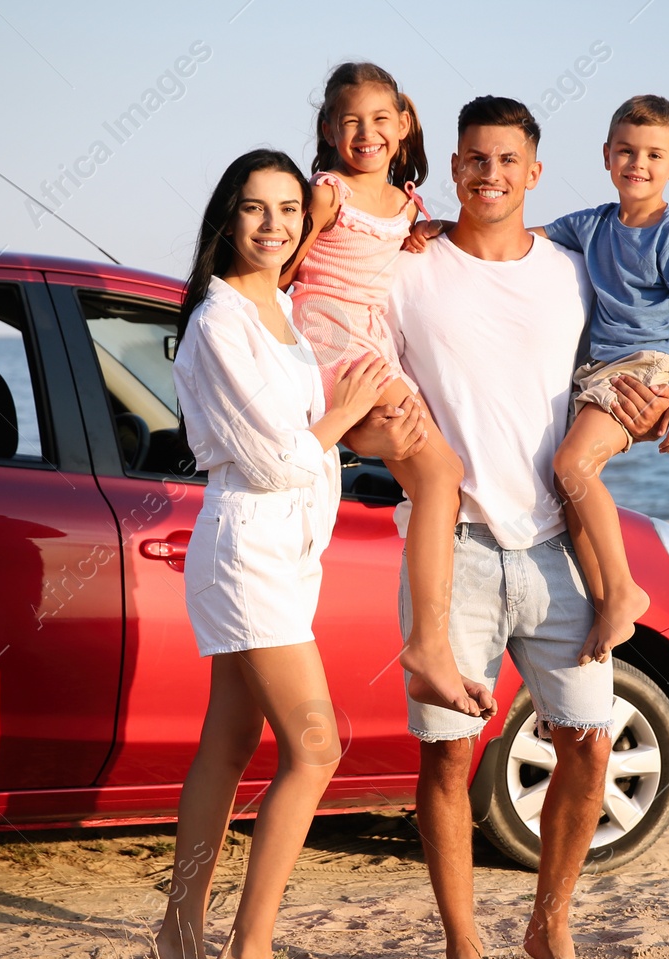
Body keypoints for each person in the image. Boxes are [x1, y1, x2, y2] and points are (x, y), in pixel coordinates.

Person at [370, 96, 669, 959]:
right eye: (473, 159)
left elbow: (629, 360)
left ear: (535, 173)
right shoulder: (407, 270)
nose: (489, 174)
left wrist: (652, 408)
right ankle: (463, 945)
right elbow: (363, 380)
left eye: (507, 161)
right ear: (452, 167)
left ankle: (552, 918)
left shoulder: (573, 271)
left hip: (555, 549)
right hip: (453, 546)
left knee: (587, 741)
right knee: (449, 757)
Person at [156, 149, 391, 959]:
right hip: (247, 545)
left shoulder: (281, 303)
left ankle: (180, 934)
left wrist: (336, 209)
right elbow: (272, 454)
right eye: (255, 209)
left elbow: (331, 229)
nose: (274, 224)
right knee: (317, 744)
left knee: (227, 742)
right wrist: (341, 411)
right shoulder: (220, 321)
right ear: (227, 216)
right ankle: (250, 948)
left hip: (287, 553)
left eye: (287, 208)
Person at [411, 95, 669, 666]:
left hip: (642, 368)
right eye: (626, 151)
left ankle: (623, 591)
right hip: (596, 373)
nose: (637, 165)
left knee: (570, 466)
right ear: (606, 156)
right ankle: (605, 603)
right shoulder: (594, 224)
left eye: (653, 155)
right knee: (572, 491)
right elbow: (513, 228)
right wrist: (446, 226)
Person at [281, 62, 494, 719]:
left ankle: (428, 646)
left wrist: (420, 232)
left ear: (403, 126)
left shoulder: (406, 205)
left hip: (374, 352)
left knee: (440, 476)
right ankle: (428, 648)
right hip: (335, 349)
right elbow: (285, 270)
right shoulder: (326, 193)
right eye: (350, 122)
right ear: (327, 129)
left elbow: (398, 249)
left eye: (381, 120)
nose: (366, 133)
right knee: (438, 475)